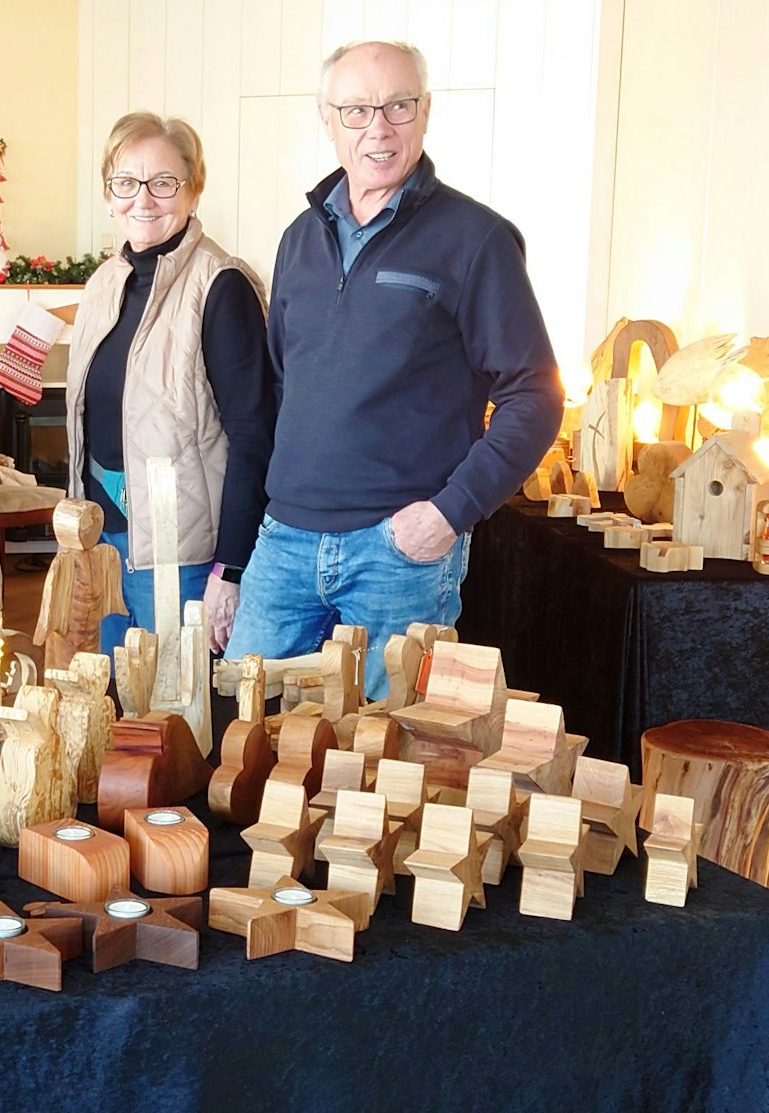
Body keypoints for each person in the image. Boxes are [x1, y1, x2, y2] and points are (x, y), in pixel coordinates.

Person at [225, 41, 563, 699]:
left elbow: (536, 394)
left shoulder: (477, 239)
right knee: (245, 731)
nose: (378, 127)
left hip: (398, 551)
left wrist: (450, 512)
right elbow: (282, 387)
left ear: (425, 112)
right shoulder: (300, 238)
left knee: (384, 761)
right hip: (287, 540)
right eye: (356, 110)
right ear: (328, 119)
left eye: (398, 106)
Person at [65, 112, 274, 655]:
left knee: (169, 722)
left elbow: (254, 436)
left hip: (182, 555)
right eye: (126, 183)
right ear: (109, 195)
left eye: (163, 183)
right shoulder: (103, 284)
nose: (143, 200)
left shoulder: (221, 286)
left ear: (193, 192)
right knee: (108, 708)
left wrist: (231, 569)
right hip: (101, 543)